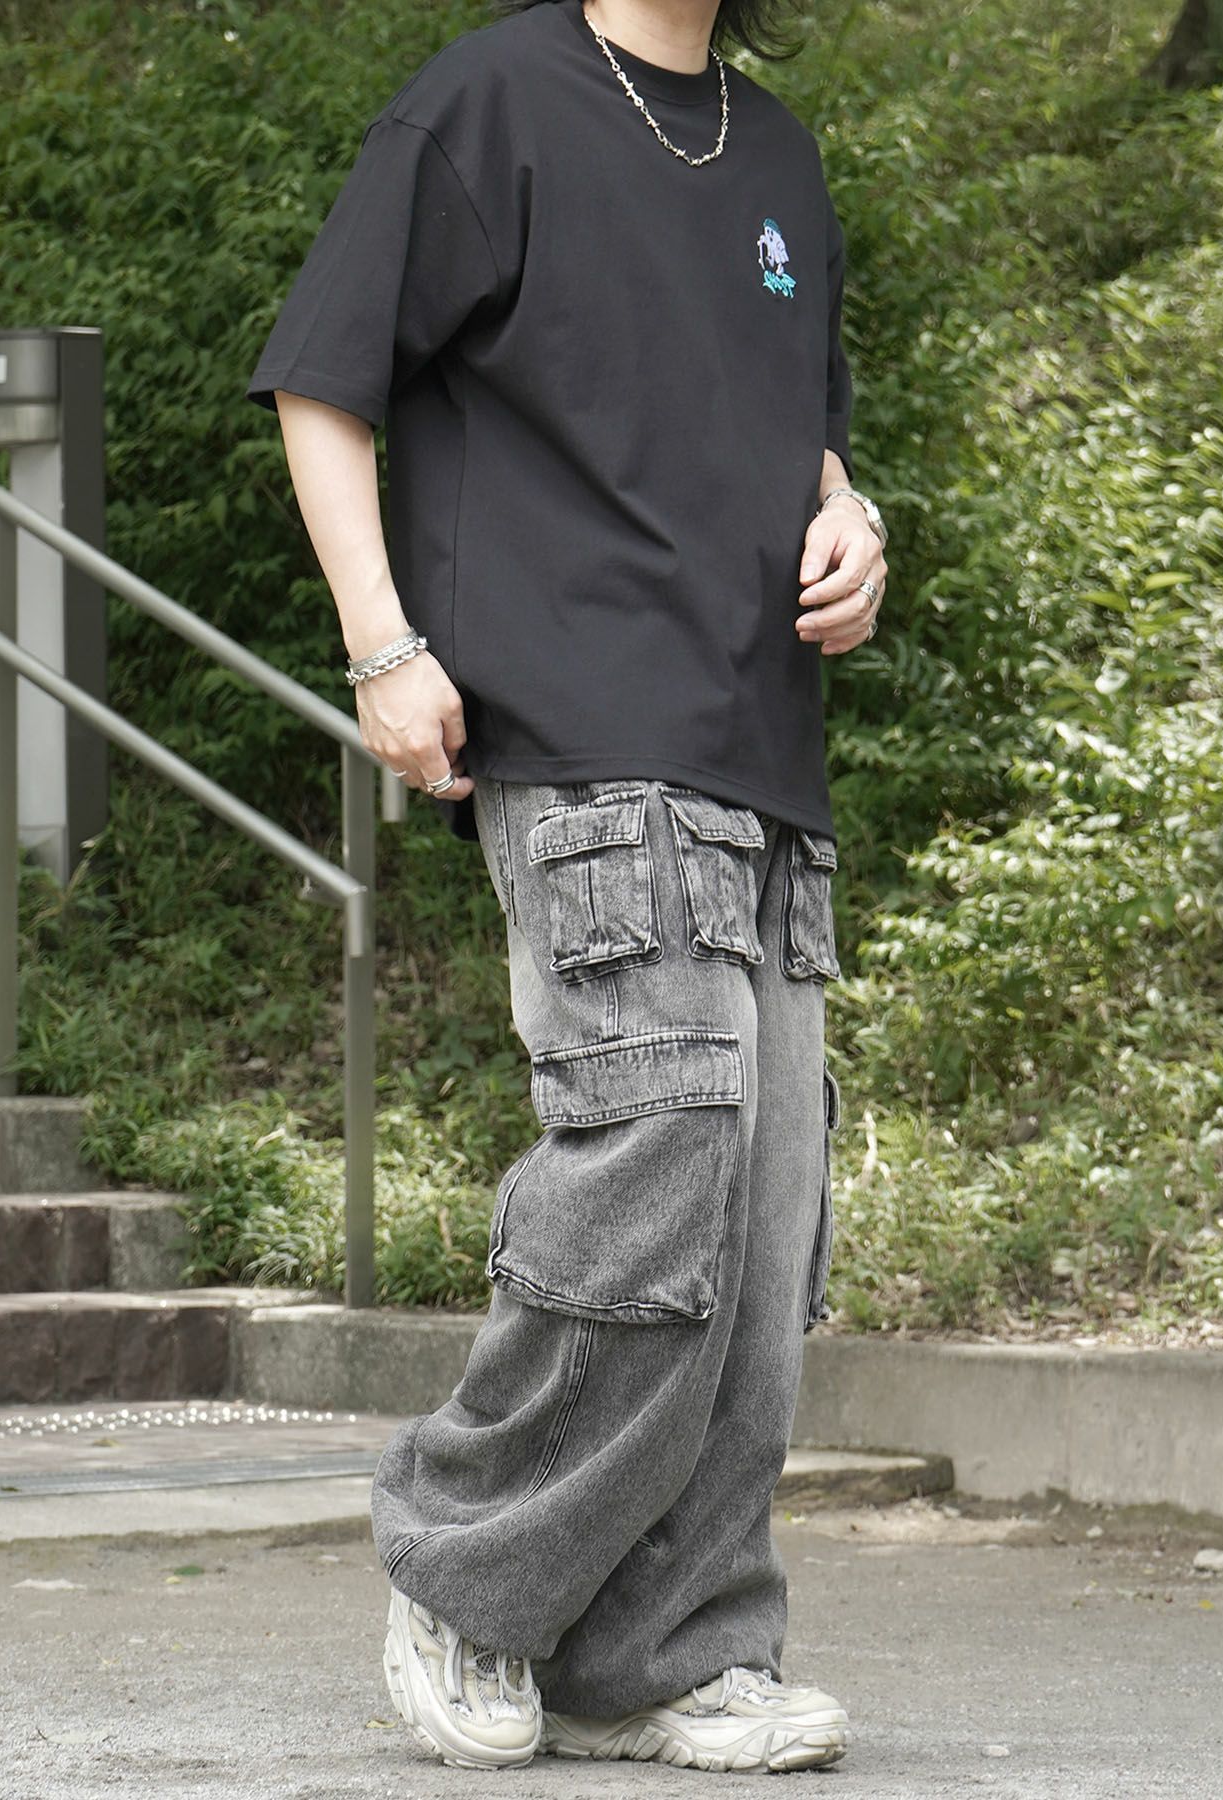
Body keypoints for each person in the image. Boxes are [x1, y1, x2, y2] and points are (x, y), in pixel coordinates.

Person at [247, 0, 888, 1773]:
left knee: (762, 1223)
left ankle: (665, 1647)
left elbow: (802, 437)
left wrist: (856, 526)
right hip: (580, 723)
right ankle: (472, 1573)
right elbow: (323, 384)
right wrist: (383, 648)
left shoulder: (777, 153)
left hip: (762, 750)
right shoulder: (489, 101)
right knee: (657, 1155)